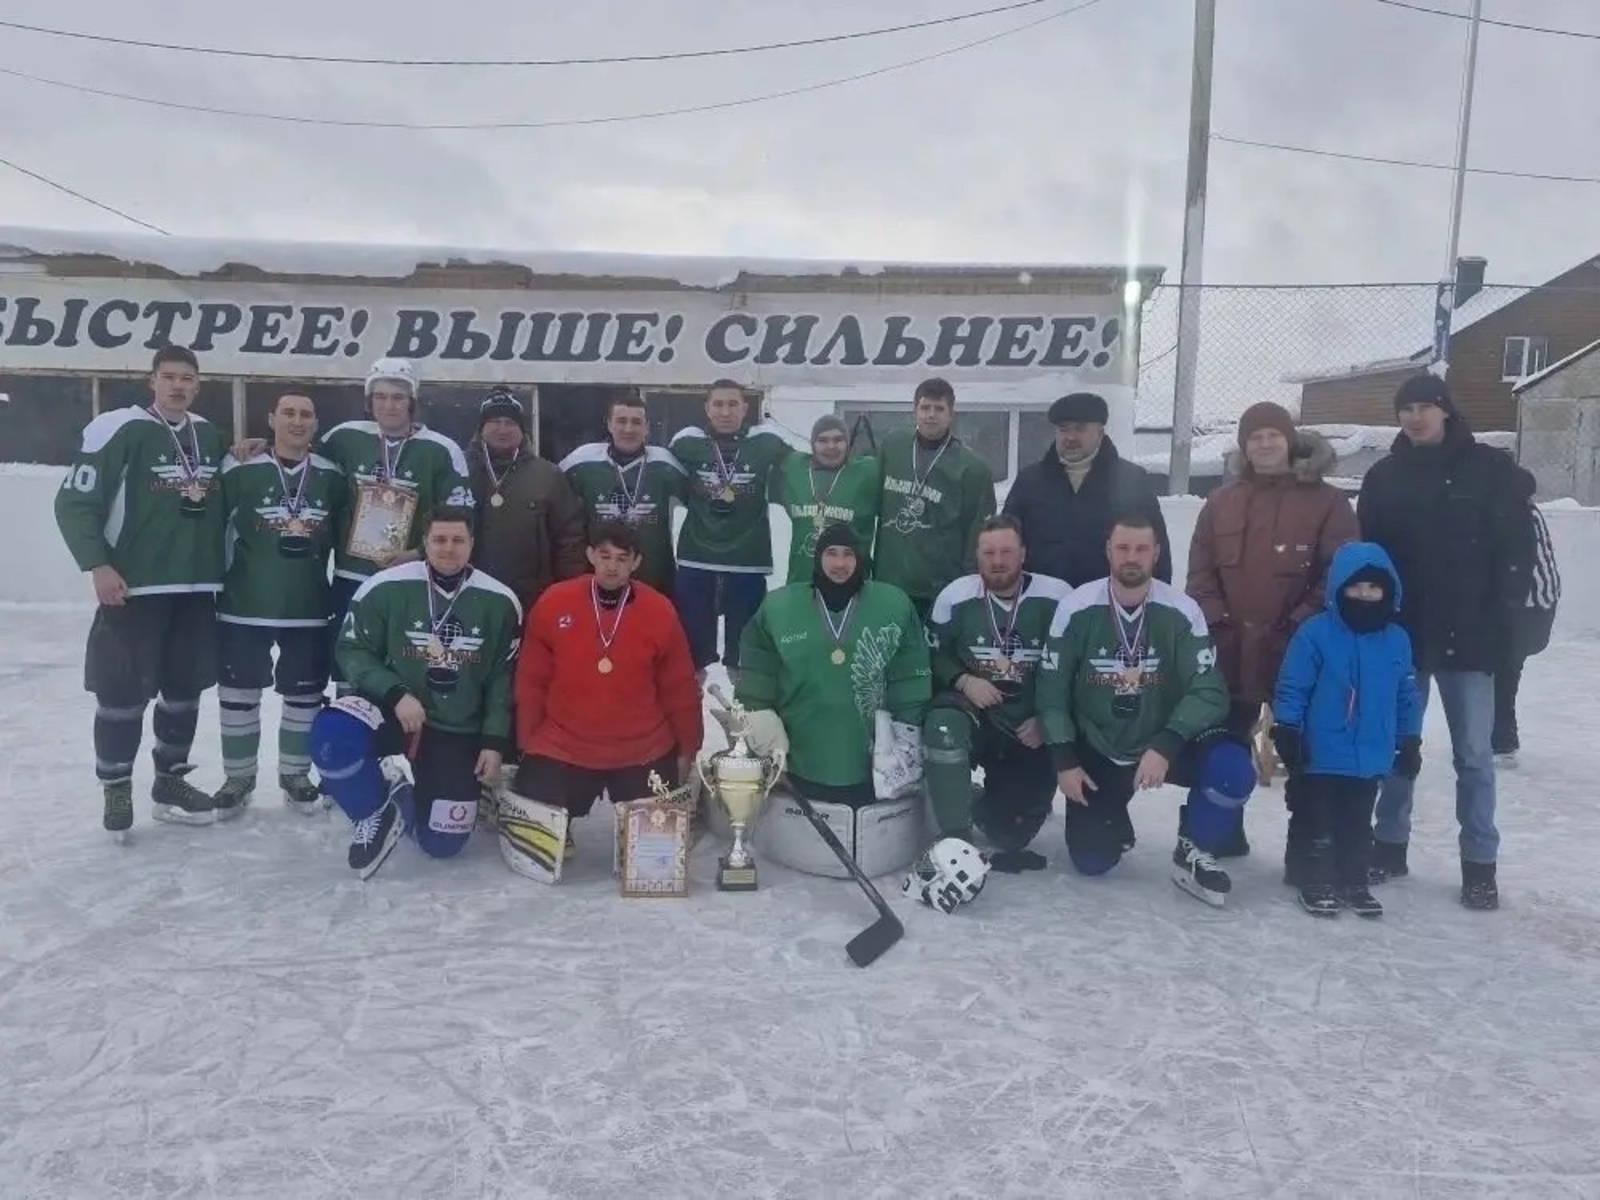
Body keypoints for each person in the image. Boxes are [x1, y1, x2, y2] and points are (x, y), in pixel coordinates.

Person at [1356, 374, 1534, 909]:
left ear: (1446, 411)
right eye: (1405, 409)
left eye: (1424, 407)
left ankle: (1480, 863)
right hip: (1403, 636)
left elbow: (1515, 552)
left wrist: (1502, 623)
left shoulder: (1487, 470)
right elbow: (1370, 558)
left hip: (1471, 638)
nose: (1415, 417)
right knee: (1396, 748)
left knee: (1475, 756)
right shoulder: (1384, 477)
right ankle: (1388, 844)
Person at [55, 344, 227, 837]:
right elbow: (74, 503)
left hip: (195, 586)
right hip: (134, 587)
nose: (178, 385)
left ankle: (169, 781)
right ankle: (116, 787)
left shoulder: (208, 435)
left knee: (184, 692)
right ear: (152, 380)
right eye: (169, 376)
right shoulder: (119, 427)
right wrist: (98, 564)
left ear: (198, 385)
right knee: (122, 692)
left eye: (187, 378)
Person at [1035, 514, 1252, 905]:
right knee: (1092, 860)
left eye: (1141, 549)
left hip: (1162, 743)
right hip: (1101, 745)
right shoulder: (1076, 608)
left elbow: (1209, 691)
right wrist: (1064, 759)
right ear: (1108, 552)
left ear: (1156, 554)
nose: (1131, 557)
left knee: (1232, 767)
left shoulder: (1182, 611)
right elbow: (1051, 692)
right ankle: (1112, 820)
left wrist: (1167, 743)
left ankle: (1194, 847)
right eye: (1122, 548)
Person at [1185, 401, 1358, 870]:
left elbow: (1339, 574)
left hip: (1300, 651)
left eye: (1273, 435)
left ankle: (1308, 847)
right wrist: (1216, 619)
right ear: (1244, 446)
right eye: (1254, 437)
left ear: (1290, 440)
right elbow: (1200, 572)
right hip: (1231, 649)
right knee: (1224, 744)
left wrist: (1300, 624)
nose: (1264, 444)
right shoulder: (1221, 502)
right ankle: (1222, 833)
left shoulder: (1327, 502)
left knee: (1306, 749)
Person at [309, 507, 522, 878]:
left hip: (456, 726)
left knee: (442, 843)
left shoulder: (500, 601)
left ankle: (400, 797)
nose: (448, 548)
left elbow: (502, 677)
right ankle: (373, 811)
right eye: (439, 539)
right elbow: (352, 649)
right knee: (333, 736)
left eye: (458, 540)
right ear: (424, 542)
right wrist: (394, 694)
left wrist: (493, 741)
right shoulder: (386, 586)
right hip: (394, 711)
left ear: (473, 543)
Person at [512, 521, 703, 853]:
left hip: (642, 746)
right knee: (536, 794)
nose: (612, 566)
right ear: (590, 555)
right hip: (565, 742)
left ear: (636, 563)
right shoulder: (555, 602)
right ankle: (559, 821)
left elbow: (679, 687)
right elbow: (532, 680)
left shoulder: (659, 610)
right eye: (604, 556)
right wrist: (528, 742)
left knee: (654, 847)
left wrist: (688, 748)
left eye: (622, 558)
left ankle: (632, 828)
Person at [1271, 542, 1424, 918]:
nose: (1365, 595)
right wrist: (1287, 728)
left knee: (1356, 821)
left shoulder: (1396, 639)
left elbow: (1407, 693)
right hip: (1321, 751)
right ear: (1339, 588)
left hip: (1370, 753)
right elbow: (1294, 685)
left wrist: (1410, 740)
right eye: (1356, 587)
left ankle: (1353, 878)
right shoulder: (1316, 633)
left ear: (1389, 591)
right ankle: (1315, 877)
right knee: (1316, 817)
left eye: (1374, 588)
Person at [213, 391, 346, 817]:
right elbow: (212, 529)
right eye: (287, 413)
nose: (297, 420)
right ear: (270, 419)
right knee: (238, 694)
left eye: (306, 414)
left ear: (316, 423)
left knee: (305, 696)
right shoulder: (238, 467)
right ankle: (238, 777)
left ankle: (294, 775)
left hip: (307, 607)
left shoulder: (331, 475)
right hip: (242, 605)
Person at [736, 523, 931, 807]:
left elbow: (910, 678)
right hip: (798, 765)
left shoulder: (894, 604)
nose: (840, 563)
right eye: (831, 553)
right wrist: (766, 742)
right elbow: (755, 681)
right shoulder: (778, 608)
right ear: (817, 557)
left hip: (873, 769)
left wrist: (906, 740)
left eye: (849, 554)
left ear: (861, 558)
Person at [923, 515, 1071, 872]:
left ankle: (972, 800)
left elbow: (1075, 669)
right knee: (943, 725)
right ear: (977, 556)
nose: (998, 560)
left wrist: (1047, 721)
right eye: (989, 552)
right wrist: (963, 680)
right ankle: (955, 837)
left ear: (1024, 554)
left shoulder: (1058, 597)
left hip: (1028, 724)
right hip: (976, 713)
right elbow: (931, 654)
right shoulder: (956, 596)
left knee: (1010, 836)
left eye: (1006, 551)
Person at [669, 380, 796, 676]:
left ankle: (746, 715)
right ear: (706, 408)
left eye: (732, 404)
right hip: (696, 558)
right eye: (718, 404)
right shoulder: (686, 442)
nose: (725, 412)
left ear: (745, 408)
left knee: (745, 659)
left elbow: (806, 468)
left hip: (747, 560)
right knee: (691, 657)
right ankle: (691, 708)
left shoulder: (767, 441)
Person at [1003, 391, 1170, 588]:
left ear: (1100, 432)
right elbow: (1007, 542)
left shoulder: (1131, 480)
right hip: (1042, 606)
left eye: (1080, 429)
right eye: (1064, 429)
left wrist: (1157, 602)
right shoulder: (1030, 481)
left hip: (1108, 606)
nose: (1070, 437)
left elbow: (1156, 549)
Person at [874, 377, 997, 624]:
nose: (931, 415)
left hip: (939, 588)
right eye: (925, 407)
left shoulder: (973, 468)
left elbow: (979, 532)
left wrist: (968, 584)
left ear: (951, 414)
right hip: (889, 581)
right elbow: (870, 502)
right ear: (914, 411)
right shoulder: (892, 447)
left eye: (939, 409)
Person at [466, 387, 587, 610]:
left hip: (533, 598)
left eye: (510, 423)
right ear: (481, 428)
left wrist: (569, 593)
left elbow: (570, 540)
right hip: (468, 596)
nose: (503, 429)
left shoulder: (547, 475)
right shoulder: (459, 470)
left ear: (522, 430)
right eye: (495, 421)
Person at [560, 392, 688, 596]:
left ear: (646, 427)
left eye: (636, 422)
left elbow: (700, 504)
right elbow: (556, 507)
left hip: (654, 576)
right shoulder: (582, 462)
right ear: (609, 424)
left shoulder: (666, 464)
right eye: (621, 421)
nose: (628, 429)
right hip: (599, 574)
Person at [770, 415, 880, 584]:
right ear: (812, 444)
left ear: (848, 443)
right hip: (802, 582)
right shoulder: (794, 467)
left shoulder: (868, 471)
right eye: (823, 440)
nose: (831, 446)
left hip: (852, 584)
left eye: (838, 440)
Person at [1493, 491, 1560, 763]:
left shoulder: (1518, 514)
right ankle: (1501, 733)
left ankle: (1501, 735)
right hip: (1534, 604)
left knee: (1503, 668)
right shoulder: (1523, 509)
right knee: (1506, 669)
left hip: (1526, 605)